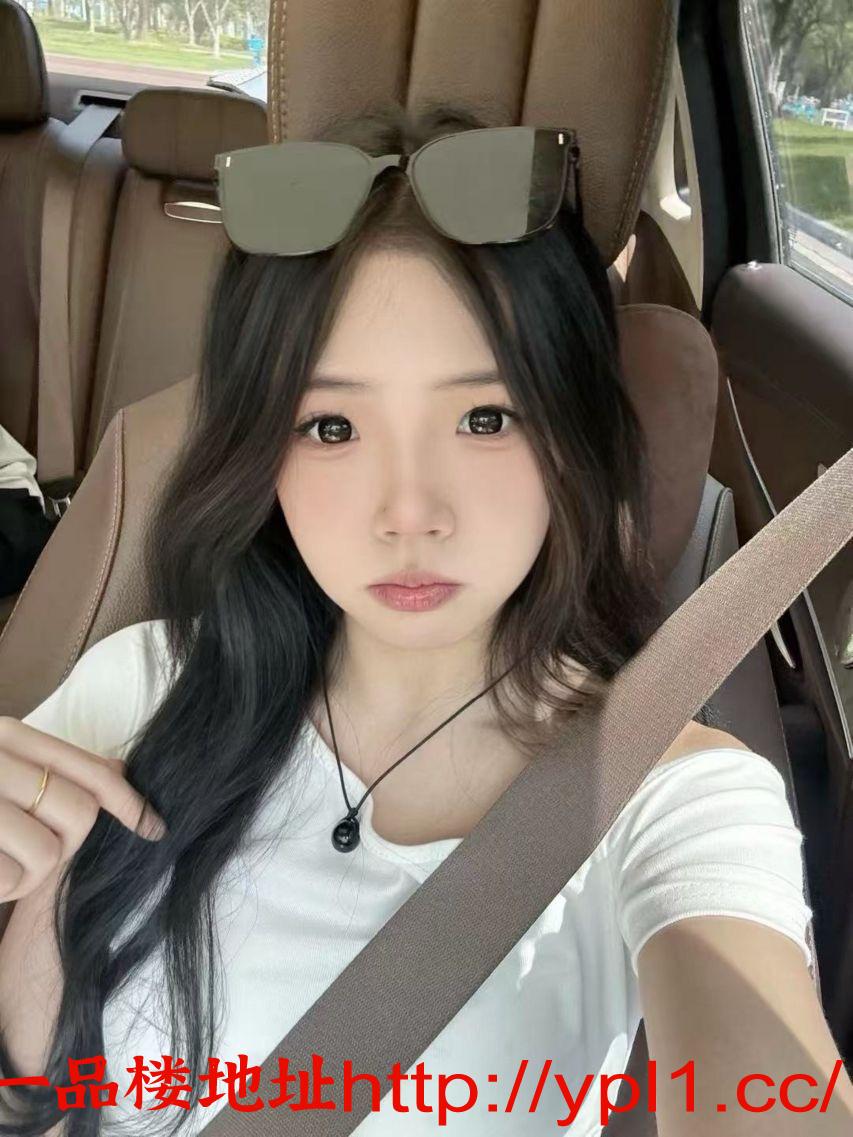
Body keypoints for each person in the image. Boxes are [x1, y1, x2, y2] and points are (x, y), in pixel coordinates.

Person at [0, 102, 843, 1137]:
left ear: (570, 438)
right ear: (261, 448)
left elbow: (765, 1088)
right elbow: (38, 1085)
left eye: (485, 418)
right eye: (331, 425)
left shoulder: (668, 799)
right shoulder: (138, 685)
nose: (408, 514)